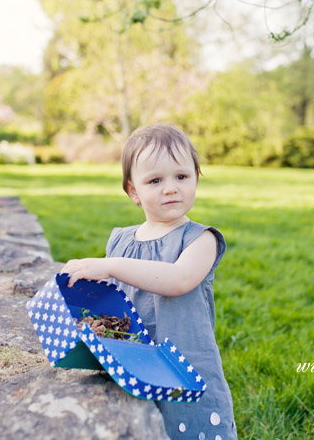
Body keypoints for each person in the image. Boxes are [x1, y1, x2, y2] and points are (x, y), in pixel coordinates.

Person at [63, 123, 237, 440]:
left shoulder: (200, 239)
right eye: (155, 180)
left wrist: (112, 266)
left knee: (186, 426)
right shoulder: (120, 240)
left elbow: (179, 280)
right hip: (129, 360)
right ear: (134, 191)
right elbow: (108, 303)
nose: (170, 188)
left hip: (182, 361)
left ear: (196, 178)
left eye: (181, 177)